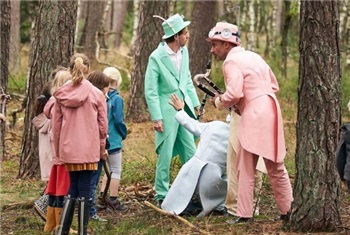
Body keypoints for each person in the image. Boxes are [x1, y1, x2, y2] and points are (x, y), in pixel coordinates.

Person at [207, 22, 293, 223]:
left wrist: (219, 101)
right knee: (276, 165)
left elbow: (235, 93)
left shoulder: (231, 62)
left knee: (245, 164)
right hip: (272, 108)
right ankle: (288, 210)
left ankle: (244, 214)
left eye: (215, 44)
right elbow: (274, 85)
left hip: (254, 113)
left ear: (227, 44)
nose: (213, 49)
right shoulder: (254, 56)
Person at [144, 13, 201, 207]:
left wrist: (194, 102)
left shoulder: (184, 53)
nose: (188, 35)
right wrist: (156, 117)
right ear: (176, 36)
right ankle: (161, 193)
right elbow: (150, 89)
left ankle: (193, 190)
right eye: (185, 33)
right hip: (166, 112)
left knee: (190, 151)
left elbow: (186, 78)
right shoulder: (156, 57)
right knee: (166, 154)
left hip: (183, 109)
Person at [52, 53, 108, 235]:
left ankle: (63, 229)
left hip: (68, 148)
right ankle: (83, 230)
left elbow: (56, 126)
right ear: (88, 69)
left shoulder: (61, 94)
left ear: (70, 70)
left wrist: (58, 152)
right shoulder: (97, 93)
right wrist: (101, 148)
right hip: (89, 147)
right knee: (84, 185)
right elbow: (102, 126)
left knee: (73, 185)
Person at [161, 94, 229, 217]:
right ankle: (216, 207)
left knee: (187, 185)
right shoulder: (240, 139)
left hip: (197, 172)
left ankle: (187, 207)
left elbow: (191, 124)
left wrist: (180, 110)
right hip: (218, 182)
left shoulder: (215, 126)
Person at [42, 68, 72, 232]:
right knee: (61, 190)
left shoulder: (53, 102)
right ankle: (60, 225)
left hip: (57, 154)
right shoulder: (60, 103)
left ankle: (51, 224)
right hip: (62, 153)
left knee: (55, 190)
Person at [97, 67, 128, 212]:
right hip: (114, 139)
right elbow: (118, 120)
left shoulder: (100, 96)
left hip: (102, 139)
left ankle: (102, 198)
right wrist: (123, 132)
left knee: (107, 170)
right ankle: (113, 200)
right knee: (116, 170)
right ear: (116, 82)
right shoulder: (117, 99)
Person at [86, 71, 110, 222]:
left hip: (83, 147)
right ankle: (90, 212)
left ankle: (84, 209)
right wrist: (103, 148)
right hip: (95, 149)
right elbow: (102, 127)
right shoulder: (99, 99)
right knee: (92, 182)